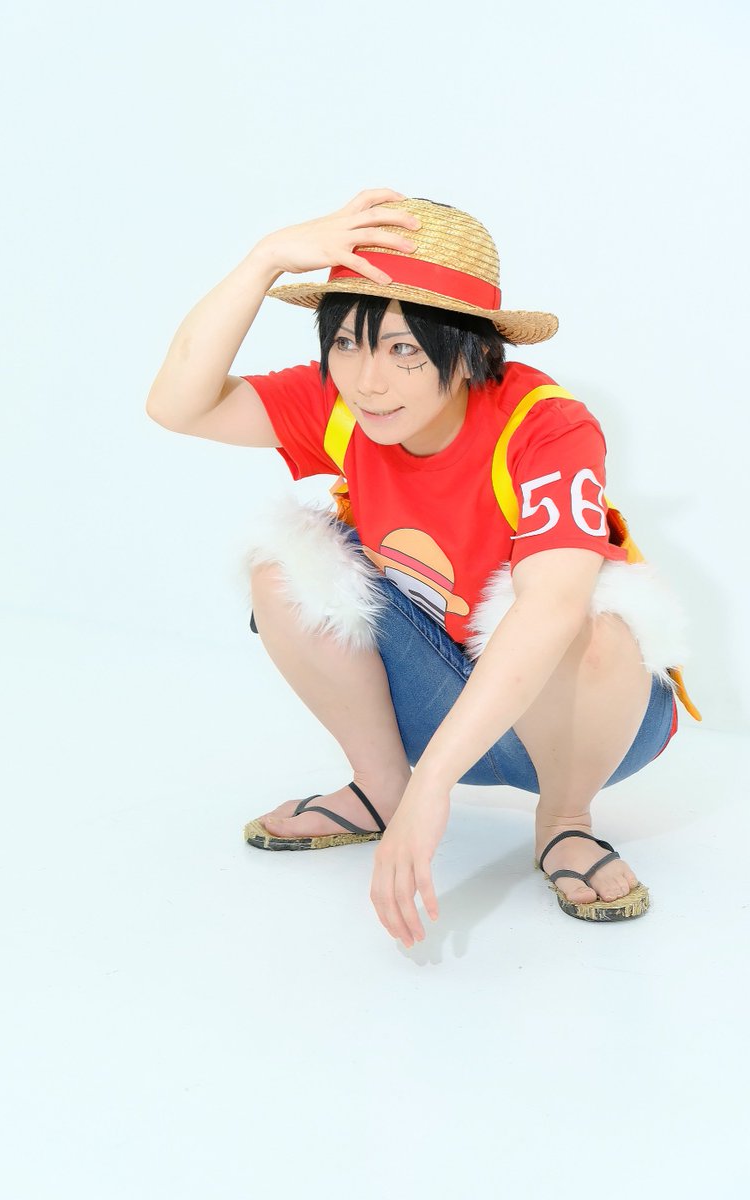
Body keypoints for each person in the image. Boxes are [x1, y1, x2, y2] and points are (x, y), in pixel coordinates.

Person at [145, 186, 695, 949]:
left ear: (470, 349)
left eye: (404, 349)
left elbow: (550, 609)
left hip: (583, 719)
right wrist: (265, 258)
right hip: (436, 697)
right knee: (282, 568)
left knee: (595, 622)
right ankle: (380, 788)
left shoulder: (545, 426)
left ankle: (565, 820)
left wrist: (434, 789)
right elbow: (177, 404)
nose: (369, 380)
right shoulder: (343, 407)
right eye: (348, 342)